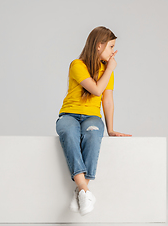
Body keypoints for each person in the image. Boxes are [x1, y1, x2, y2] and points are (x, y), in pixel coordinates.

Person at [55, 26, 131, 216]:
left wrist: (111, 129)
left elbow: (107, 100)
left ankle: (80, 191)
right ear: (99, 46)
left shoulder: (107, 71)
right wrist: (111, 68)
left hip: (92, 118)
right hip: (69, 115)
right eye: (111, 46)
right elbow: (96, 90)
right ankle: (84, 190)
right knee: (69, 133)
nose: (113, 51)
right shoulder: (77, 65)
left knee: (93, 134)